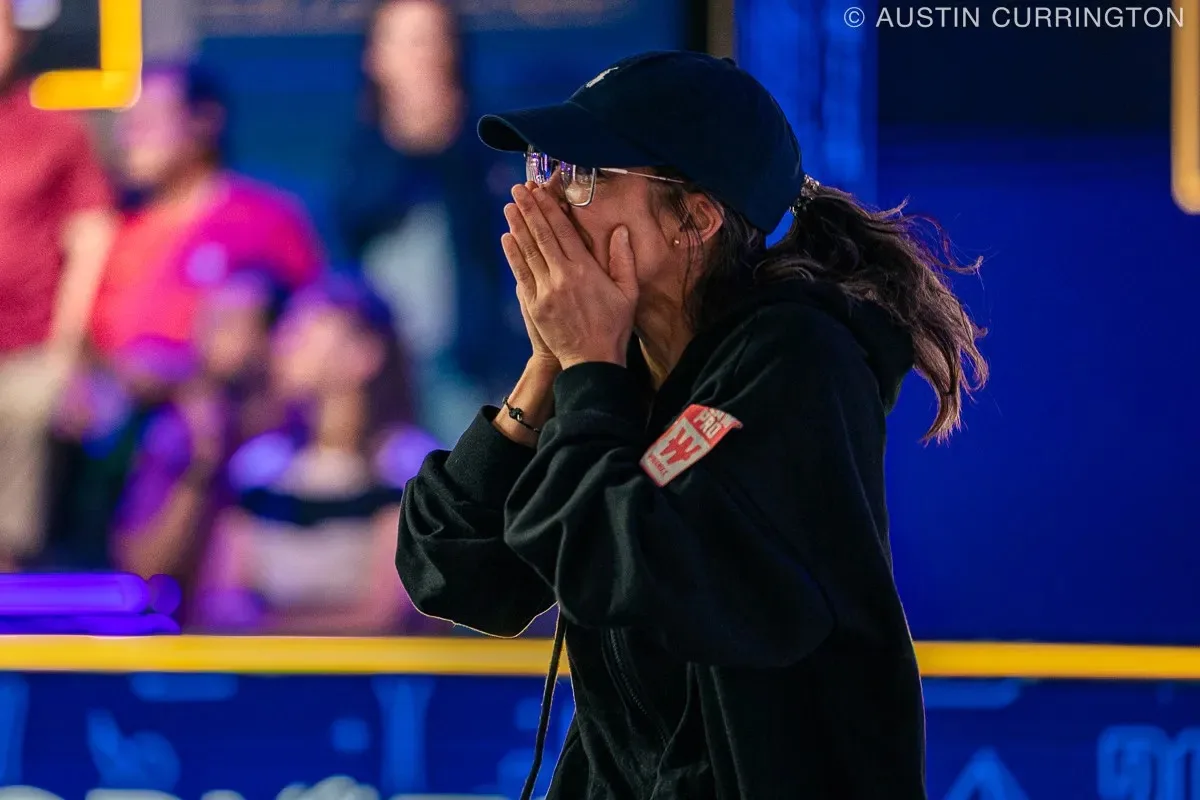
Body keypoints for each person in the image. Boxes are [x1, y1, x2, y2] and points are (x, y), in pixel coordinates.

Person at [396, 51, 989, 799]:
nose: (542, 195)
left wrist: (588, 368)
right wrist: (547, 368)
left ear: (695, 219)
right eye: (547, 166)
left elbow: (631, 568)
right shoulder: (617, 366)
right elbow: (453, 574)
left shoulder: (797, 359)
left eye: (584, 174)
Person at [195, 276, 439, 635]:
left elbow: (389, 613)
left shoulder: (408, 466)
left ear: (364, 355)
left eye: (303, 328)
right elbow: (219, 603)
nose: (282, 343)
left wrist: (269, 632)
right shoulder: (259, 466)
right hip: (265, 668)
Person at [334, 0, 526, 447]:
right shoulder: (361, 153)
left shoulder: (488, 144)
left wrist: (448, 141)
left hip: (468, 365)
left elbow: (498, 239)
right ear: (374, 57)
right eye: (407, 42)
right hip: (377, 363)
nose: (422, 56)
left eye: (433, 40)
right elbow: (351, 227)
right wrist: (409, 142)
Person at [88, 61, 324, 359]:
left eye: (147, 123)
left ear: (204, 121)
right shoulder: (112, 227)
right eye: (127, 126)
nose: (130, 140)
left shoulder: (263, 222)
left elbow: (304, 327)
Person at [0, 0, 116, 568]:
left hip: (30, 348)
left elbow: (91, 239)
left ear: (19, 39)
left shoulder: (56, 131)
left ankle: (9, 570)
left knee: (27, 409)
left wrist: (66, 354)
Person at [108, 270, 290, 624]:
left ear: (272, 339)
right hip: (194, 635)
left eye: (227, 324)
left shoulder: (302, 431)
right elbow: (143, 568)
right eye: (205, 323)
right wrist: (200, 467)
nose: (204, 339)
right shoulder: (182, 432)